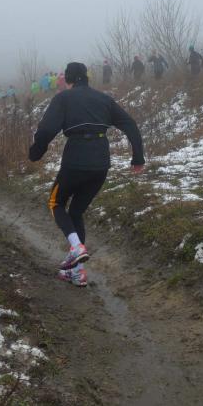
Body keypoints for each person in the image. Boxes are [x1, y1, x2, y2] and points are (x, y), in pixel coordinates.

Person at [29, 62, 145, 287]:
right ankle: (77, 272)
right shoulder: (104, 99)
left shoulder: (63, 98)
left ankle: (76, 247)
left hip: (76, 158)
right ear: (87, 78)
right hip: (101, 163)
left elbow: (46, 130)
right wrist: (138, 157)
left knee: (56, 203)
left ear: (68, 79)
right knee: (76, 212)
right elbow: (130, 124)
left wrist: (36, 152)